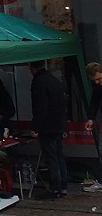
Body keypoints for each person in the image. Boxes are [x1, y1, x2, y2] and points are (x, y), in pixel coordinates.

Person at [30, 60, 69, 198]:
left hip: (47, 126)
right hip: (59, 124)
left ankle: (55, 187)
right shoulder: (54, 80)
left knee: (51, 157)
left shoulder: (39, 82)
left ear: (32, 69)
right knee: (59, 155)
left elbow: (41, 107)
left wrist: (36, 127)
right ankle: (63, 186)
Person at [84, 62, 102, 193]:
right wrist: (91, 117)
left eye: (98, 79)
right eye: (94, 80)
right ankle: (100, 181)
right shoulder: (98, 87)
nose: (96, 82)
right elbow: (95, 100)